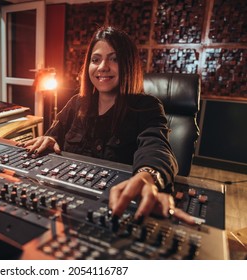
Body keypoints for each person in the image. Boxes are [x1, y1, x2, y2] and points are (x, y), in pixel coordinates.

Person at [18, 26, 195, 224]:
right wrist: (49, 138)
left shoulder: (148, 107)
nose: (103, 66)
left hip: (117, 207)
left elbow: (156, 146)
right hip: (67, 204)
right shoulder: (77, 102)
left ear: (128, 65)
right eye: (95, 60)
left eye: (114, 59)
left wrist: (148, 175)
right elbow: (56, 132)